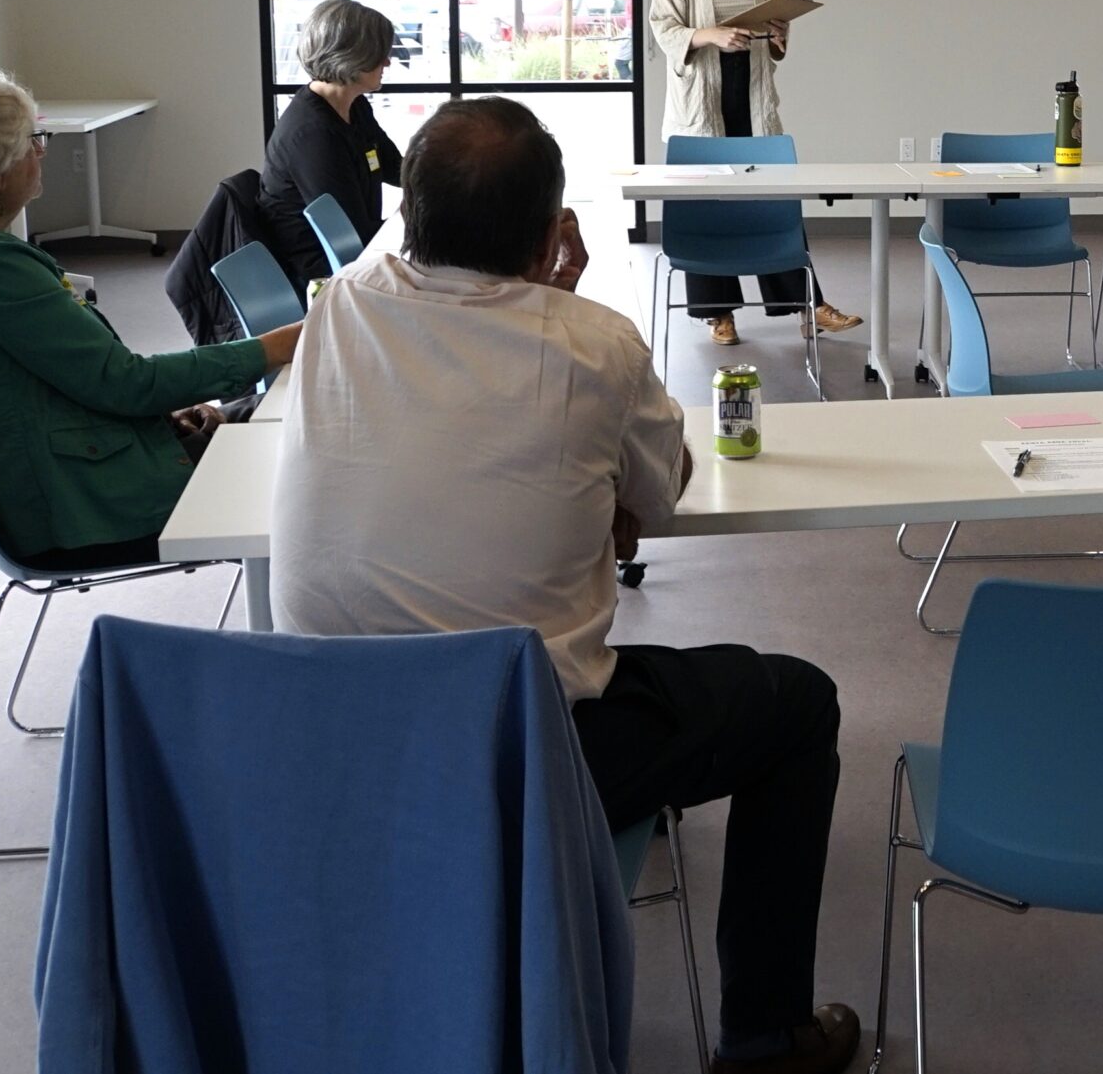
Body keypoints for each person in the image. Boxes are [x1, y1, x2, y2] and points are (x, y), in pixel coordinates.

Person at [269, 96, 857, 1074]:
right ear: (551, 234)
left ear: (404, 216)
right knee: (797, 705)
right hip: (523, 745)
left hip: (337, 735)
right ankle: (763, 1037)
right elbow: (661, 500)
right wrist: (565, 307)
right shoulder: (594, 344)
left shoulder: (337, 311)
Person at [0, 65, 299, 568]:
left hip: (80, 465)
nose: (41, 153)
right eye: (34, 141)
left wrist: (162, 418)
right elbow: (128, 383)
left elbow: (79, 381)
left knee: (286, 423)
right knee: (313, 452)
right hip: (81, 506)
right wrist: (276, 346)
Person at [647, 0, 861, 347]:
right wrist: (711, 35)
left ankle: (808, 306)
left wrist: (780, 33)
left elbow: (773, 37)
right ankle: (718, 314)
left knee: (773, 204)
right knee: (709, 206)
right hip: (704, 96)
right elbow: (663, 26)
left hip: (751, 91)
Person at [259, 0, 402, 284]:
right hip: (319, 271)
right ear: (350, 56)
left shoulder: (355, 106)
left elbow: (397, 168)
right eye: (378, 54)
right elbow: (351, 236)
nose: (387, 61)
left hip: (352, 253)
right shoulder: (313, 135)